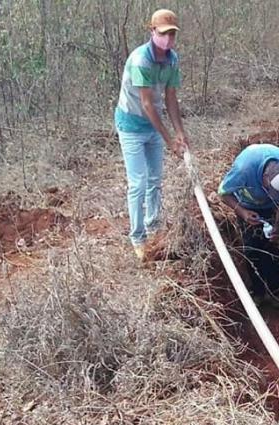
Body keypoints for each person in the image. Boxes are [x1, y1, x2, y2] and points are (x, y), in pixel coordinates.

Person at [115, 8, 189, 260]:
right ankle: (138, 238)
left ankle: (153, 227)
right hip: (131, 125)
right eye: (163, 33)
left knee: (155, 180)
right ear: (152, 32)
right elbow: (147, 104)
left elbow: (170, 97)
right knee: (138, 183)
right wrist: (169, 140)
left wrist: (180, 132)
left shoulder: (172, 60)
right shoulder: (141, 60)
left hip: (152, 126)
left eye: (172, 34)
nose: (167, 39)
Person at [216, 144, 279, 303]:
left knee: (273, 250)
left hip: (271, 208)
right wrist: (243, 213)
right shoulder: (244, 169)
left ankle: (276, 293)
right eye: (272, 191)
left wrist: (278, 225)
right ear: (265, 177)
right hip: (247, 206)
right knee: (252, 249)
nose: (273, 195)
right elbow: (224, 193)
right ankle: (258, 293)